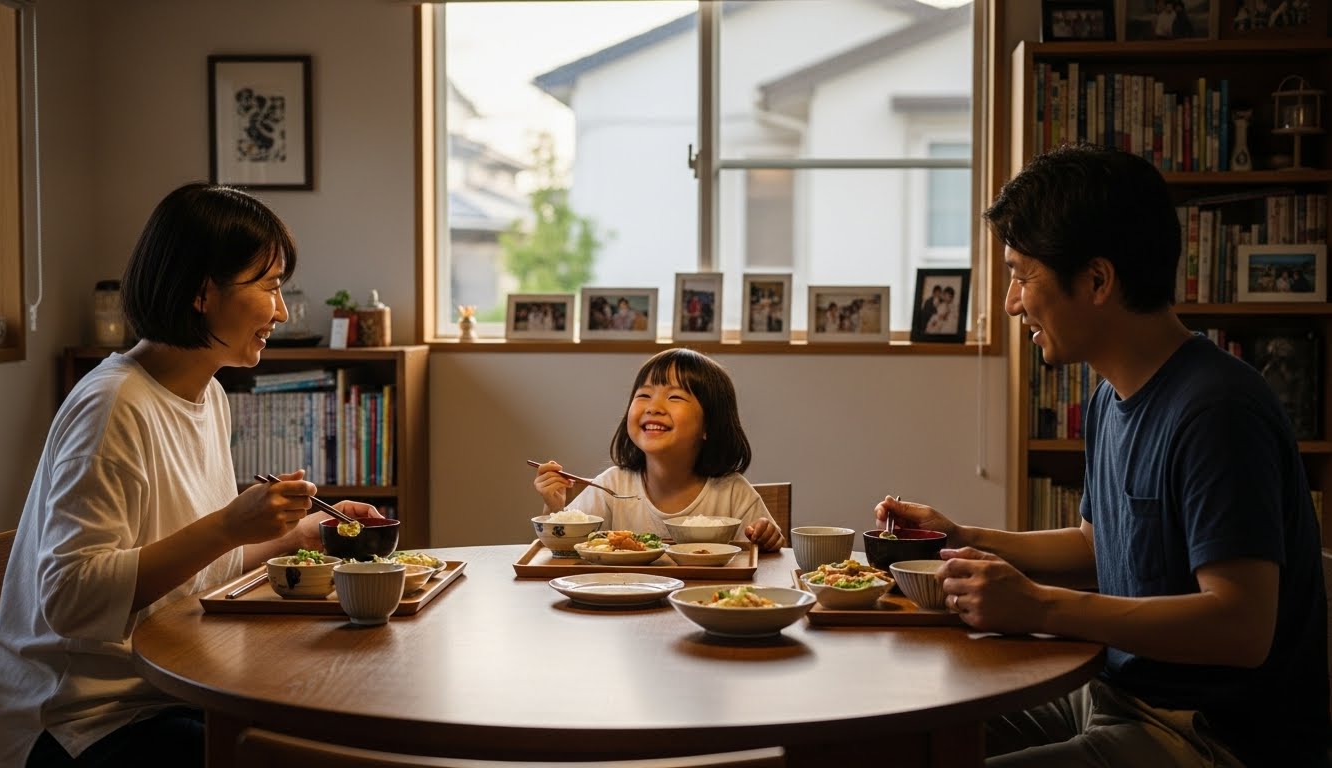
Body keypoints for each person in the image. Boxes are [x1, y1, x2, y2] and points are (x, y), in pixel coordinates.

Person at [875, 144, 1326, 767]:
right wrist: (960, 535)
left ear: (1096, 280)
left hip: (1209, 736)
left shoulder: (1218, 410)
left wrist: (1039, 607)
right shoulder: (1113, 396)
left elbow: (1242, 628)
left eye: (1021, 275)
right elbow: (1098, 547)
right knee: (901, 736)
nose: (1011, 303)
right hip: (1112, 694)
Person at [0, 183, 384, 768]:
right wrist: (227, 525)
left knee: (335, 724)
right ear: (203, 292)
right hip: (82, 721)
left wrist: (304, 536)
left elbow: (188, 567)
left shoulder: (209, 395)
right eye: (269, 286)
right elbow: (70, 597)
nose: (281, 311)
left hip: (172, 687)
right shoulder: (113, 405)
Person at [533, 348, 785, 552]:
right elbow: (562, 552)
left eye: (674, 397)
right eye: (644, 395)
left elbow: (764, 554)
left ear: (709, 425)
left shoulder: (732, 492)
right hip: (623, 603)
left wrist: (767, 540)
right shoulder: (612, 486)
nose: (653, 407)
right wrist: (553, 508)